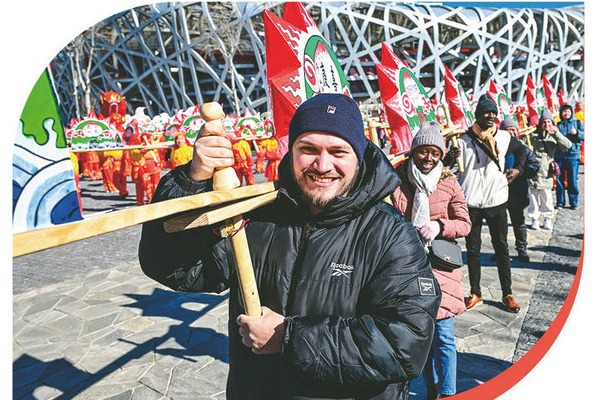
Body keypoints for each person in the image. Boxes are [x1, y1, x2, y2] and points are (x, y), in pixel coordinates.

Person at [139, 93, 441, 400]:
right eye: (308, 149)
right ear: (291, 151)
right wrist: (192, 182)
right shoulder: (259, 218)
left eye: (338, 152)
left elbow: (405, 344)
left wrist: (288, 338)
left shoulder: (390, 234)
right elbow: (176, 268)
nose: (322, 165)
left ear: (359, 157)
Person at [391, 121, 471, 399]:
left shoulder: (449, 182)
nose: (428, 158)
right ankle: (432, 388)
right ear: (414, 151)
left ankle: (449, 392)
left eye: (434, 153)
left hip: (441, 267)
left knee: (445, 336)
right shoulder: (398, 180)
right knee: (420, 336)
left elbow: (465, 224)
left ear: (441, 154)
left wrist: (439, 226)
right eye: (423, 151)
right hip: (408, 267)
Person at [445, 94, 527, 313]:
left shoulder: (503, 137)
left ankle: (507, 293)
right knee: (472, 249)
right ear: (478, 115)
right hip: (470, 201)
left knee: (501, 248)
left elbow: (523, 151)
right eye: (486, 112)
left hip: (496, 199)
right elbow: (445, 165)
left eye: (493, 112)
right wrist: (451, 156)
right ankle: (475, 292)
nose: (490, 116)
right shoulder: (460, 139)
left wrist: (517, 170)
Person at [499, 117, 540, 261]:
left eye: (513, 130)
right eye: (507, 130)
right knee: (499, 225)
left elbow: (535, 166)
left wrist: (520, 172)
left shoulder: (523, 148)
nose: (510, 133)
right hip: (499, 192)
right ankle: (501, 250)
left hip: (517, 191)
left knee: (519, 223)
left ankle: (522, 250)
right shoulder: (496, 146)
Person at [528, 109, 572, 230]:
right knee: (532, 198)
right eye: (544, 122)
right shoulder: (532, 134)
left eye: (549, 122)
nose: (546, 125)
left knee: (546, 197)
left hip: (546, 172)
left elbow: (567, 145)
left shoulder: (554, 135)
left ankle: (548, 218)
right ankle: (534, 219)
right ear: (540, 123)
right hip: (532, 171)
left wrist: (556, 133)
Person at [554, 103, 584, 210]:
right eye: (564, 111)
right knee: (559, 181)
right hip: (559, 156)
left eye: (568, 111)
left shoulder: (577, 123)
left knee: (572, 180)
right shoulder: (557, 124)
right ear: (561, 113)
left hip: (573, 156)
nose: (566, 113)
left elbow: (584, 135)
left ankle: (573, 202)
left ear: (571, 113)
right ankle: (560, 202)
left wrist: (576, 133)